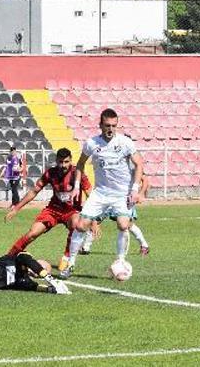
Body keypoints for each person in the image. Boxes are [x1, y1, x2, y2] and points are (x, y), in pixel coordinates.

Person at [61, 108, 144, 278]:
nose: (111, 129)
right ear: (100, 125)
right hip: (100, 193)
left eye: (114, 125)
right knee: (81, 225)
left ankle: (120, 261)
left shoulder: (125, 143)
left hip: (122, 193)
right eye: (107, 125)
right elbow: (80, 164)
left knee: (123, 224)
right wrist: (76, 186)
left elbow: (139, 164)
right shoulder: (92, 143)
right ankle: (70, 264)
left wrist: (135, 190)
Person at [4, 148, 93, 262]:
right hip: (53, 210)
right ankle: (9, 256)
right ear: (56, 161)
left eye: (66, 162)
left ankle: (66, 258)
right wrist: (16, 208)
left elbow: (90, 194)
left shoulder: (78, 174)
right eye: (60, 162)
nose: (63, 165)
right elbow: (34, 191)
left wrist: (93, 220)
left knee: (75, 223)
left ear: (71, 161)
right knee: (32, 233)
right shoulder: (50, 173)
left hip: (71, 211)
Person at [70, 171, 151, 258]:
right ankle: (86, 248)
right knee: (93, 220)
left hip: (123, 197)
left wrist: (141, 194)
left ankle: (143, 245)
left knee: (127, 224)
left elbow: (145, 179)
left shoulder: (129, 162)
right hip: (105, 196)